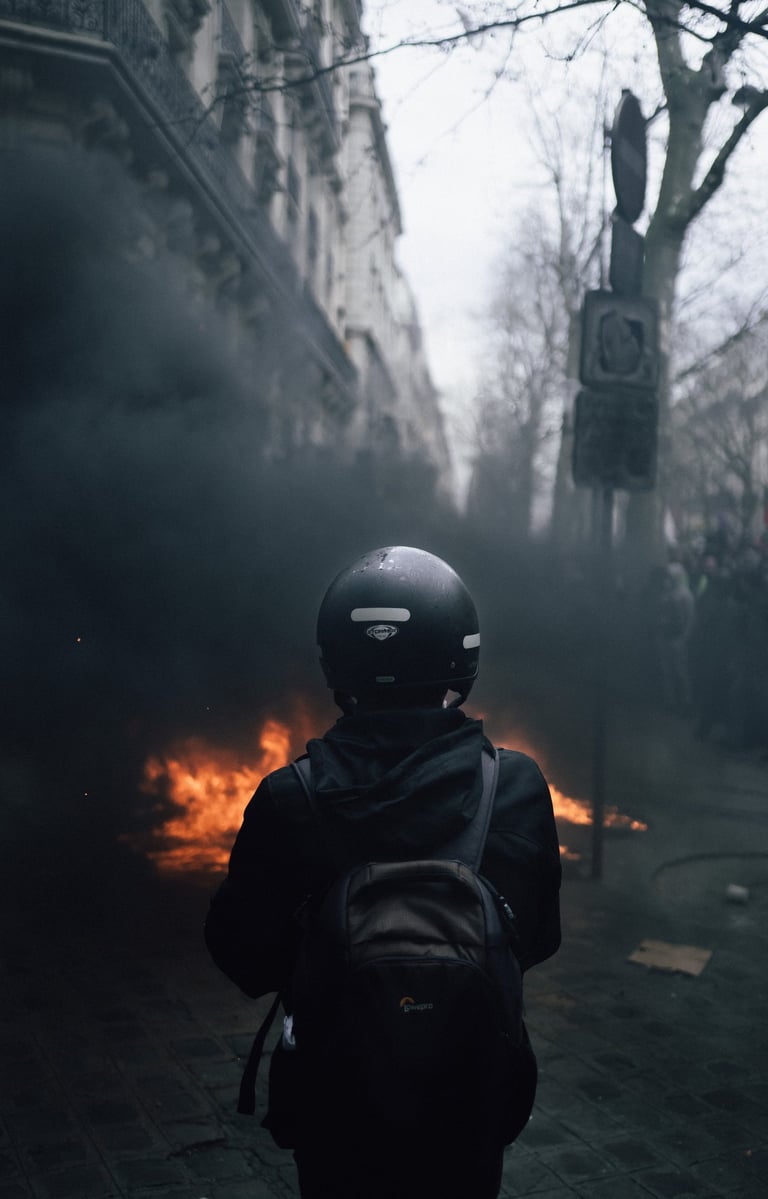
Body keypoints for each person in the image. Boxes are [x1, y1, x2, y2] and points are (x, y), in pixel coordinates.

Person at [204, 545, 562, 1199]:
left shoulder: (290, 796)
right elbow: (536, 939)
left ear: (336, 659)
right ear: (463, 653)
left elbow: (243, 957)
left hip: (334, 1099)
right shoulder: (513, 785)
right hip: (471, 1087)